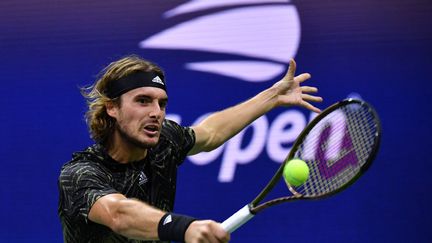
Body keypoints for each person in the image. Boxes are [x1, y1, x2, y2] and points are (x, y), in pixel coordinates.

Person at [58, 55, 322, 243]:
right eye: (143, 101)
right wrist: (184, 228)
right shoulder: (80, 174)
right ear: (112, 108)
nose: (156, 113)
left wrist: (273, 96)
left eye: (161, 104)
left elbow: (210, 133)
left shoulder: (164, 144)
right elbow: (118, 214)